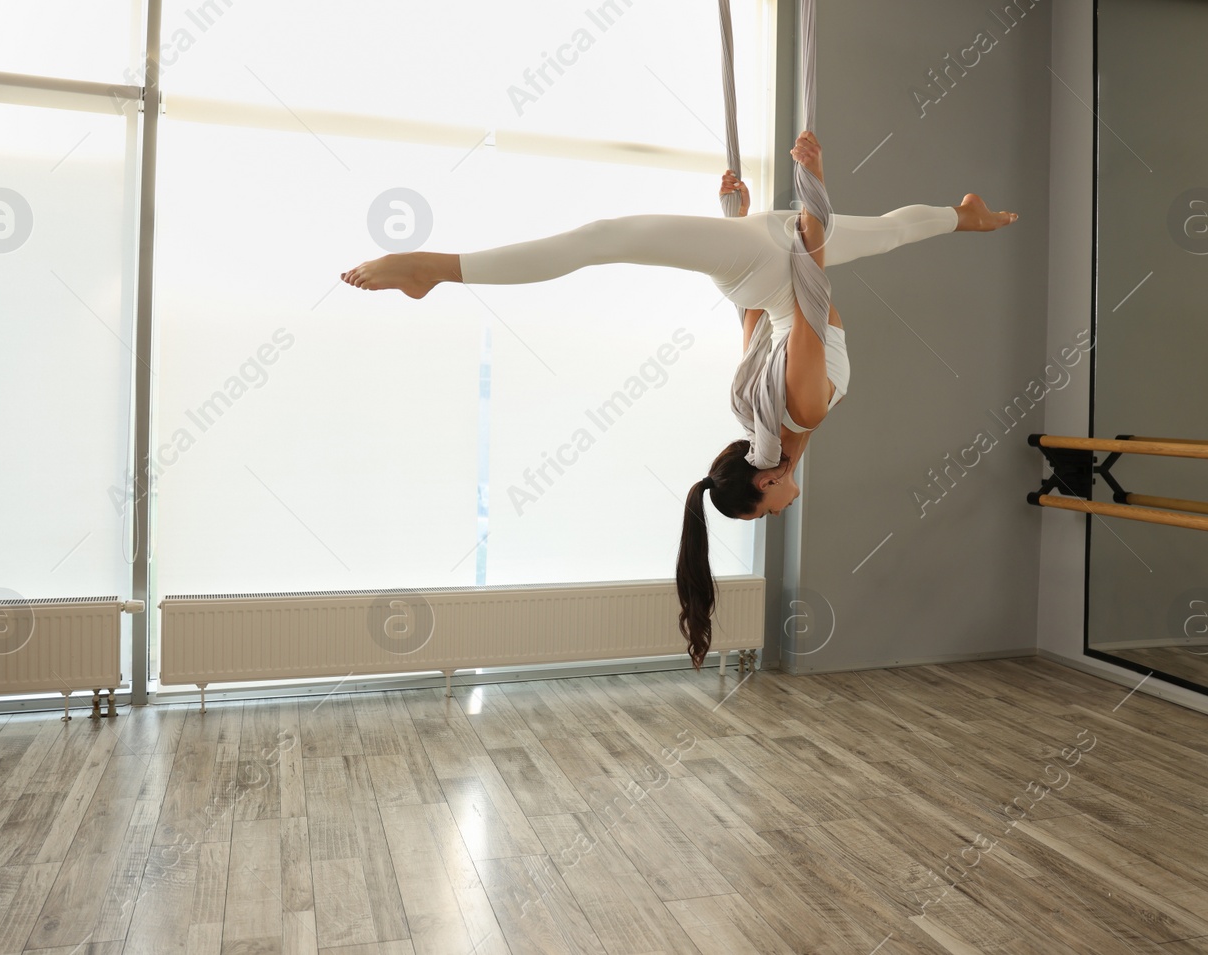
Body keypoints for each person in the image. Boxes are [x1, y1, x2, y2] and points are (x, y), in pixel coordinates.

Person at [342, 131, 1018, 666]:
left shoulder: (802, 411)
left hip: (778, 258)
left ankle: (435, 269)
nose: (778, 512)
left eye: (763, 513)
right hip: (761, 268)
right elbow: (758, 321)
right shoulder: (760, 413)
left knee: (603, 239)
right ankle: (966, 216)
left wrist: (812, 183)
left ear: (771, 478)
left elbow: (810, 284)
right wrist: (738, 219)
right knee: (893, 230)